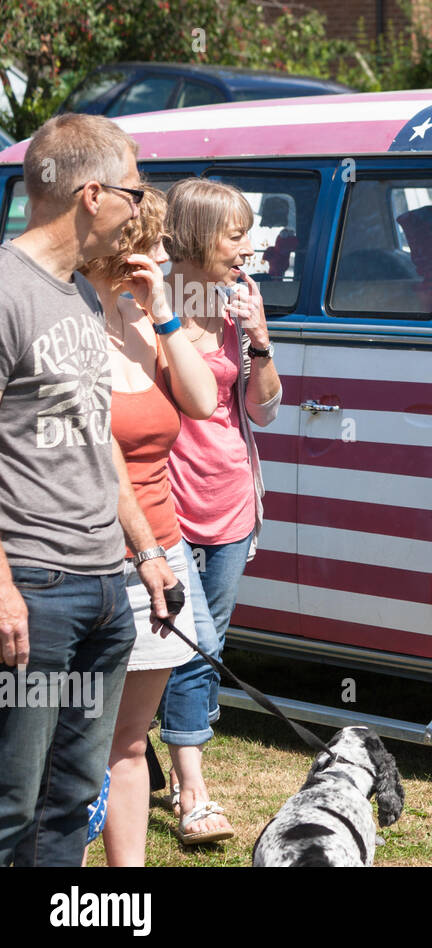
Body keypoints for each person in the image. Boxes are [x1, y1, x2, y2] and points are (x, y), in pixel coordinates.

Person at [0, 114, 172, 867]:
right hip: (34, 593)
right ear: (93, 193)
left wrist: (144, 550)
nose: (141, 211)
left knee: (72, 800)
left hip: (105, 589)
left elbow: (94, 437)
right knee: (12, 801)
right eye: (134, 192)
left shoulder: (77, 295)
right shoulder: (7, 290)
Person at [80, 184, 217, 865]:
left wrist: (163, 312)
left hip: (162, 553)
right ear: (124, 251)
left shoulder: (143, 321)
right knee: (72, 741)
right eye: (156, 244)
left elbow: (201, 400)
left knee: (129, 743)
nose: (166, 256)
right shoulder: (69, 324)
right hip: (93, 556)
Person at [157, 178, 281, 844]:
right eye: (236, 234)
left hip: (231, 501)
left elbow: (264, 407)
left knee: (207, 645)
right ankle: (194, 793)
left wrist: (259, 340)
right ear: (200, 236)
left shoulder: (241, 304)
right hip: (167, 503)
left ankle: (163, 752)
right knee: (193, 644)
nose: (249, 246)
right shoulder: (148, 307)